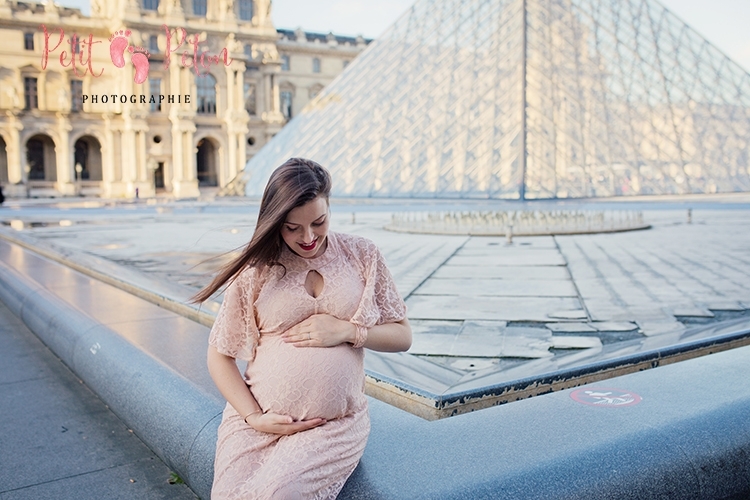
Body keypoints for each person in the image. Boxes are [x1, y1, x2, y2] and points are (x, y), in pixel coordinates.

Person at [193, 158, 412, 499]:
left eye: (318, 222)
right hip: (256, 423)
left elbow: (403, 336)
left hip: (331, 427)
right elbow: (219, 356)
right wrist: (253, 417)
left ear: (329, 207)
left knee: (282, 494)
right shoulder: (257, 270)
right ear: (275, 221)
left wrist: (348, 331)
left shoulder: (361, 254)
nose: (308, 237)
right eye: (292, 227)